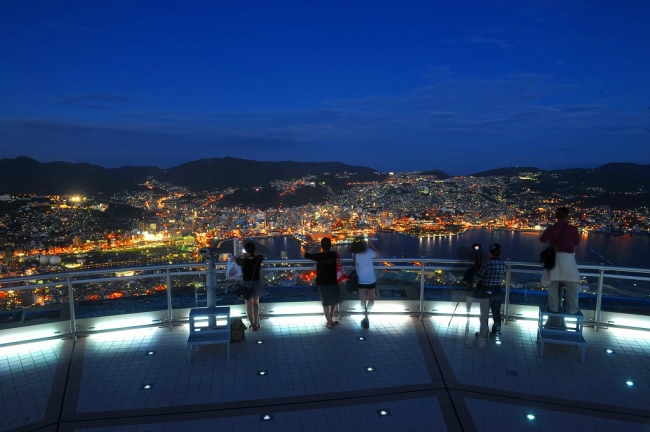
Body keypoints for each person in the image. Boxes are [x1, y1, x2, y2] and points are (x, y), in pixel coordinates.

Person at [540, 207, 581, 315]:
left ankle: (553, 308)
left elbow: (542, 239)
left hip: (555, 258)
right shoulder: (572, 229)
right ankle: (573, 309)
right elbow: (577, 242)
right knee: (571, 286)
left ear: (556, 217)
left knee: (553, 284)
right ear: (568, 216)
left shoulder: (551, 229)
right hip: (569, 260)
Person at [304, 237, 341, 329]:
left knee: (325, 303)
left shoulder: (319, 256)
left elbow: (306, 255)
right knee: (333, 301)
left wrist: (315, 246)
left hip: (322, 282)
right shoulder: (334, 254)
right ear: (330, 245)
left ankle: (329, 322)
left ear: (321, 246)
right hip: (333, 281)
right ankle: (331, 318)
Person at [474, 243, 506, 347]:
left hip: (487, 291)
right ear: (499, 253)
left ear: (490, 252)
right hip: (498, 290)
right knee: (496, 313)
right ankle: (496, 333)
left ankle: (484, 334)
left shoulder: (487, 264)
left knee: (484, 314)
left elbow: (480, 276)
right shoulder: (502, 264)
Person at [350, 237, 379, 328]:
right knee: (371, 299)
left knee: (363, 300)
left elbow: (355, 265)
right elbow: (378, 254)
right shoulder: (370, 252)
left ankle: (365, 316)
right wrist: (372, 245)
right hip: (371, 279)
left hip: (361, 280)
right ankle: (367, 316)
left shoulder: (354, 254)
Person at [236, 242, 265, 331]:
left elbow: (235, 260)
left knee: (248, 305)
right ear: (254, 250)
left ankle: (252, 325)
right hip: (256, 282)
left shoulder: (243, 261)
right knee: (255, 304)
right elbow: (260, 256)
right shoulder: (258, 259)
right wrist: (251, 254)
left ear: (246, 251)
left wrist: (244, 255)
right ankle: (257, 323)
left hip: (246, 284)